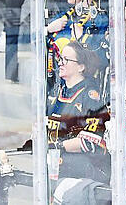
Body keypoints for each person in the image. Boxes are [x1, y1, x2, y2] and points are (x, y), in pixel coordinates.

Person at [46, 42, 109, 183]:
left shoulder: (91, 97)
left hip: (81, 175)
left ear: (81, 67)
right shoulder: (57, 92)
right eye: (60, 58)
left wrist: (58, 147)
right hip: (54, 166)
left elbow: (93, 140)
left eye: (66, 60)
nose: (60, 63)